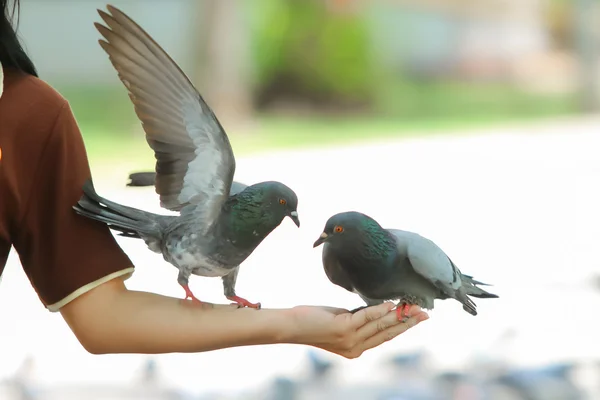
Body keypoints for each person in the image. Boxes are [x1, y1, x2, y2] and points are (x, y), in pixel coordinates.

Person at [0, 0, 428, 359]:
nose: (288, 217)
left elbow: (102, 317)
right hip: (182, 242)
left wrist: (289, 323)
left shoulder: (27, 115)